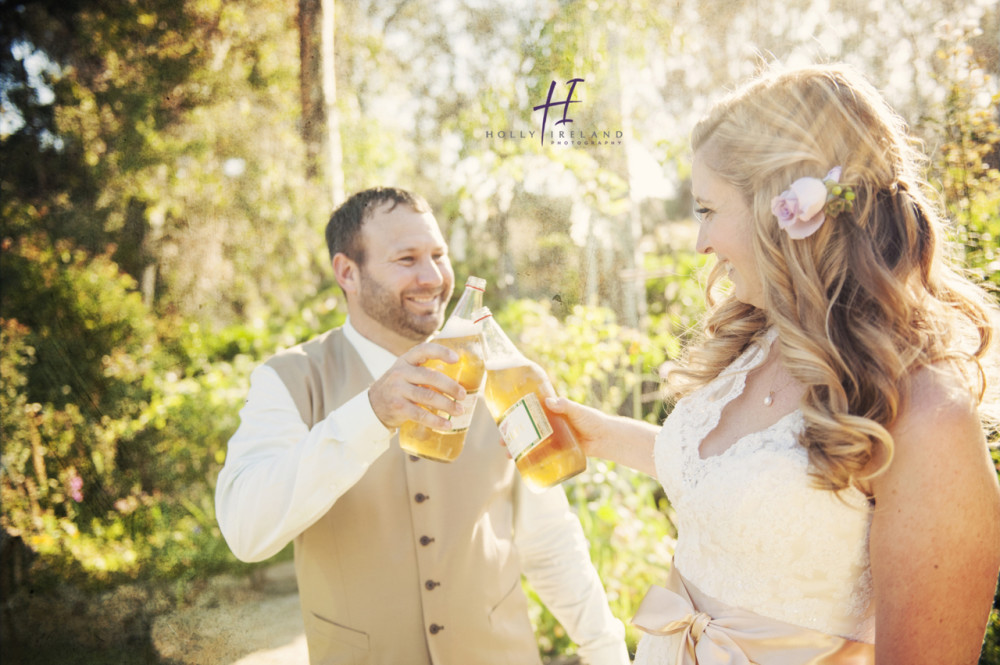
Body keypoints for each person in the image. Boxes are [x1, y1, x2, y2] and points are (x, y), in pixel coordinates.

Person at [546, 63, 1000, 664]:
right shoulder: (759, 340)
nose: (699, 243)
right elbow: (742, 476)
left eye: (708, 209)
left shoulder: (925, 411)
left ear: (783, 210)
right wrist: (593, 433)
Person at [214, 187, 630, 665]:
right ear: (348, 272)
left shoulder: (500, 372)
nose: (432, 277)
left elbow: (549, 537)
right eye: (407, 259)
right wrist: (371, 412)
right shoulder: (288, 380)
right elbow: (246, 532)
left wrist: (606, 650)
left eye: (439, 255)